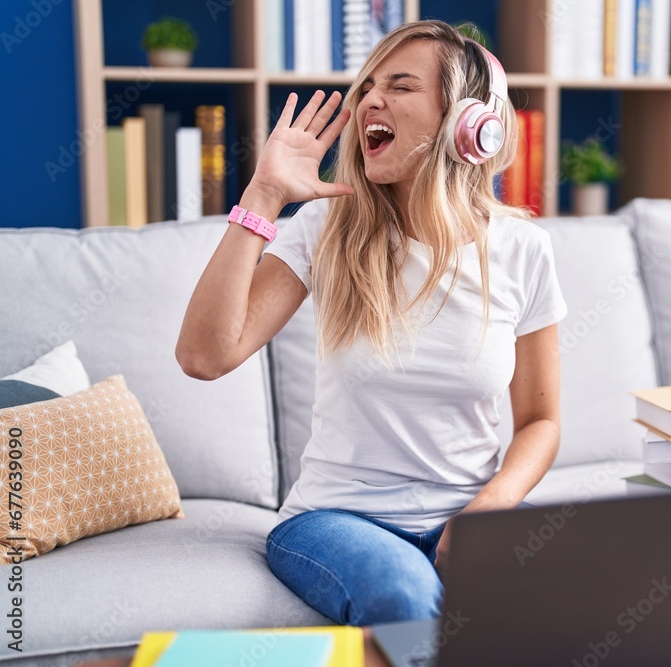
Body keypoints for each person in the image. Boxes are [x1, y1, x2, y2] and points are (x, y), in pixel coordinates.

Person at [175, 20, 567, 626]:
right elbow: (205, 356)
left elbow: (541, 420)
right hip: (337, 520)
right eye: (368, 87)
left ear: (466, 123)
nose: (370, 102)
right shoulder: (325, 228)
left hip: (469, 513)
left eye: (401, 86)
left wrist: (490, 508)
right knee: (404, 599)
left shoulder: (522, 250)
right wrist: (263, 195)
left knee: (574, 598)